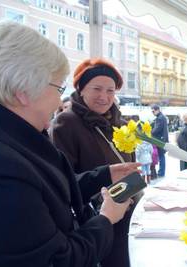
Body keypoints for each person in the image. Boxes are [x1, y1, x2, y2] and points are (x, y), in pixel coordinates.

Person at [0, 21, 141, 267]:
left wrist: (103, 175)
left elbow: (45, 192)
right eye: (58, 87)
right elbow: (57, 260)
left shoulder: (10, 139)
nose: (60, 100)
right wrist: (106, 219)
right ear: (23, 91)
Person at [51, 58, 137, 267]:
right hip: (97, 218)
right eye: (97, 89)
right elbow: (64, 181)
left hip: (130, 208)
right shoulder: (66, 123)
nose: (104, 97)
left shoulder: (119, 121)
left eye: (110, 91)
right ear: (81, 89)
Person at [151, 104, 169, 177]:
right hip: (162, 139)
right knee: (161, 156)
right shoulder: (161, 117)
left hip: (160, 140)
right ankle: (161, 172)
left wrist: (150, 132)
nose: (153, 113)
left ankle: (161, 173)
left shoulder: (160, 118)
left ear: (158, 110)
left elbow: (157, 129)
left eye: (153, 111)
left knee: (161, 156)